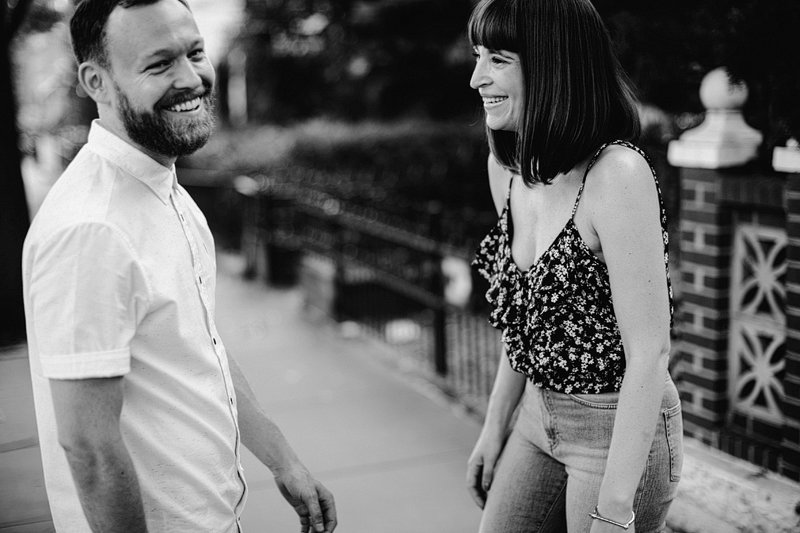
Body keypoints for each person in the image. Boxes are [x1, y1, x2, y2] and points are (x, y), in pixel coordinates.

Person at [22, 1, 337, 531]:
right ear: (97, 81)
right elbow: (90, 451)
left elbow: (198, 345)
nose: (190, 78)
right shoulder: (91, 229)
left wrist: (282, 459)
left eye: (194, 53)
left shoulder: (163, 188)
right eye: (159, 63)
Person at [464, 0, 683, 532]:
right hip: (538, 421)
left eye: (498, 58)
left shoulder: (617, 176)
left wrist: (613, 509)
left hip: (617, 432)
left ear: (552, 62)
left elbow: (649, 353)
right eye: (477, 55)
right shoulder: (509, 171)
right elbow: (525, 327)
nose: (476, 78)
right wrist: (494, 428)